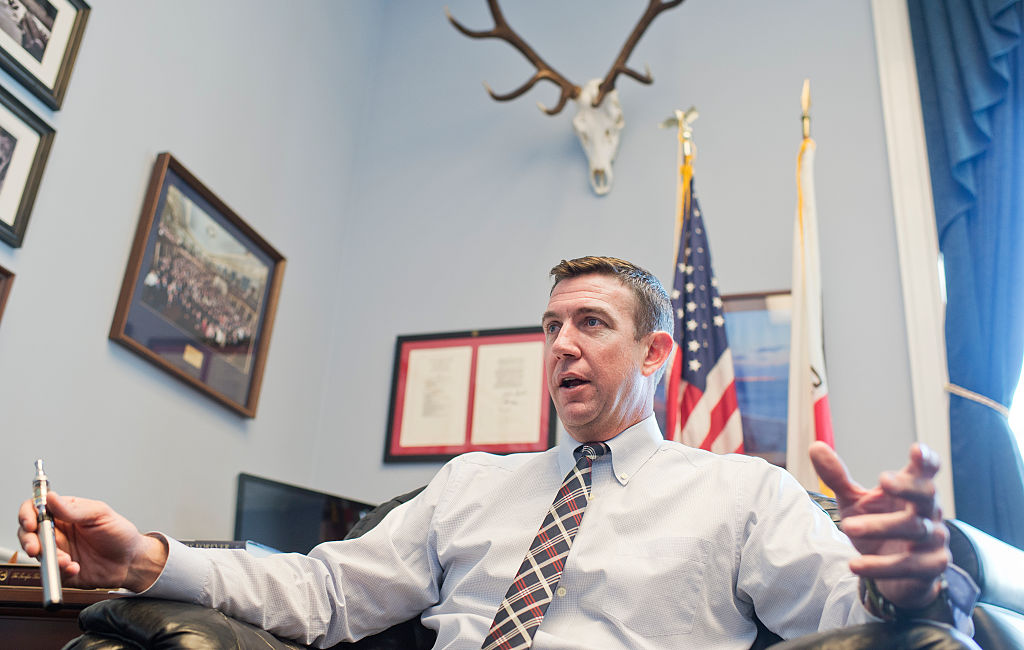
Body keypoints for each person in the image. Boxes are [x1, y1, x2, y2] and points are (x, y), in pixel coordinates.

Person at [18, 256, 978, 649]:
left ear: (654, 355)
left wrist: (909, 584)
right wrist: (146, 557)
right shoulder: (470, 484)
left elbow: (844, 616)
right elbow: (323, 592)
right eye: (551, 325)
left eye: (590, 324)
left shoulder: (743, 493)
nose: (559, 344)